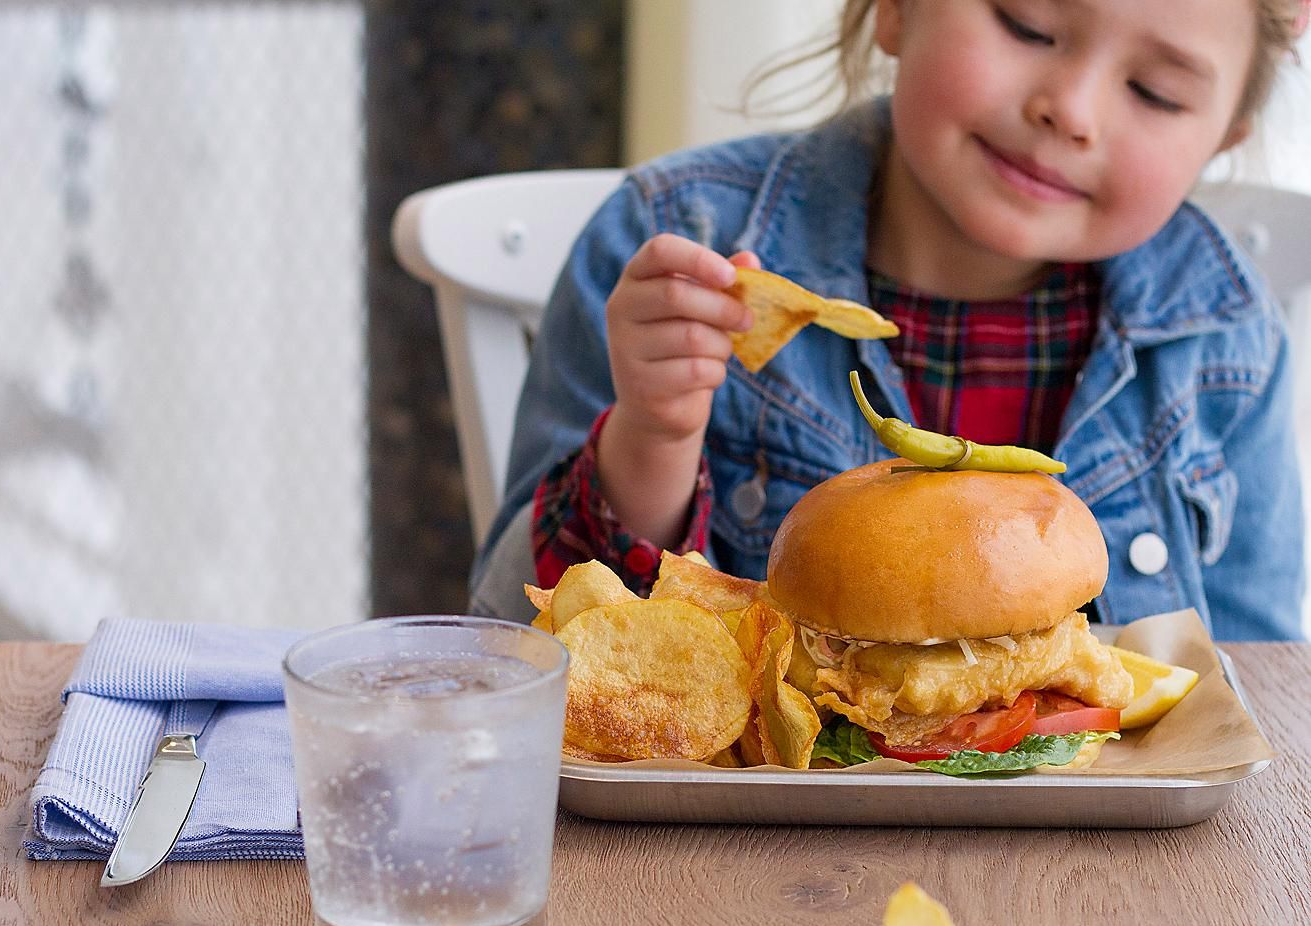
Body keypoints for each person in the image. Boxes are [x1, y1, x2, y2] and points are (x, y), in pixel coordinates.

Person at [471, 0, 1310, 642]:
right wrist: (651, 436)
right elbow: (516, 646)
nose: (1073, 109)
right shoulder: (676, 245)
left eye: (1155, 93)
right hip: (746, 856)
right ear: (898, 8)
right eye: (1027, 24)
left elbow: (1255, 696)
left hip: (1096, 860)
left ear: (1223, 135)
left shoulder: (1226, 332)